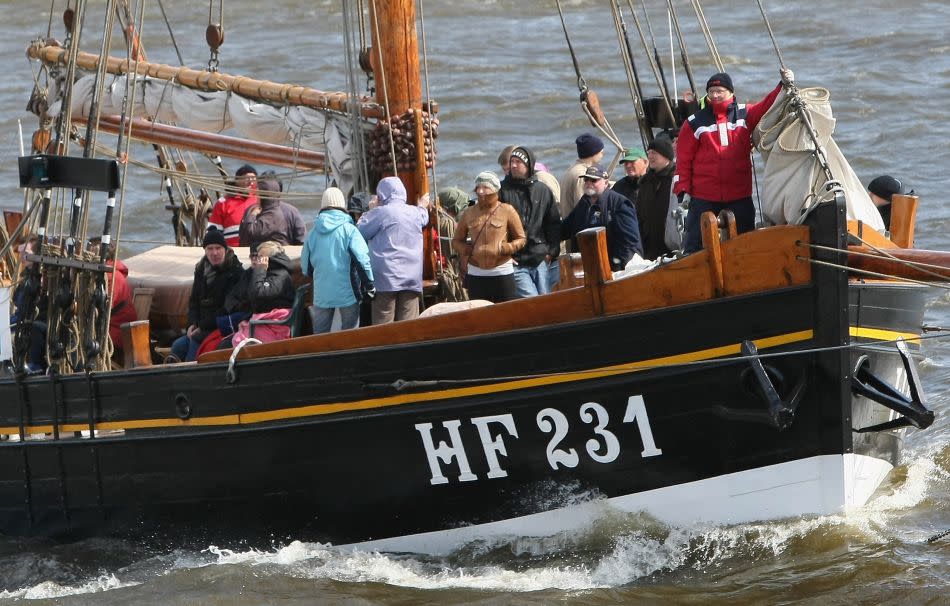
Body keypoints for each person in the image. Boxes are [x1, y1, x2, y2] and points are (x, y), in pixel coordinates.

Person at [674, 69, 793, 253]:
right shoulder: (694, 122)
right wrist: (683, 190)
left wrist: (782, 85)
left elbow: (768, 106)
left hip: (739, 194)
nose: (715, 95)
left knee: (745, 242)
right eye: (711, 92)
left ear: (730, 92)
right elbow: (683, 159)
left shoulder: (745, 114)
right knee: (694, 243)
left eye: (719, 91)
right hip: (704, 196)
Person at [357, 176, 430, 325]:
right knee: (409, 325)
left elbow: (360, 231)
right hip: (411, 277)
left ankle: (386, 348)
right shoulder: (415, 212)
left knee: (383, 325)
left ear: (381, 195)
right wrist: (422, 205)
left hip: (385, 279)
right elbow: (424, 218)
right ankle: (408, 348)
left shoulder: (380, 212)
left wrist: (371, 210)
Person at [302, 187, 374, 334]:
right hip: (347, 293)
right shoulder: (350, 230)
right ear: (342, 204)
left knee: (320, 337)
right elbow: (362, 260)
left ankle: (321, 357)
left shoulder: (312, 233)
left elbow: (305, 268)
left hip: (322, 294)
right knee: (350, 335)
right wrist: (369, 284)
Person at [170, 228, 244, 362]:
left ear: (225, 249)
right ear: (205, 250)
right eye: (210, 248)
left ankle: (189, 375)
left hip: (221, 326)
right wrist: (191, 324)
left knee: (195, 345)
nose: (214, 253)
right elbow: (194, 302)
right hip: (201, 326)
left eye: (218, 248)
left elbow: (227, 308)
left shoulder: (235, 272)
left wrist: (201, 326)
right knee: (177, 346)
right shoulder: (201, 269)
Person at [453, 171, 526, 303]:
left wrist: (506, 248)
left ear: (495, 189)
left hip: (502, 271)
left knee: (506, 312)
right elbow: (456, 241)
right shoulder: (469, 213)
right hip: (476, 273)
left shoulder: (507, 210)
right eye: (478, 187)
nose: (481, 191)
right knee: (479, 315)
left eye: (485, 187)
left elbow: (521, 238)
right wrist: (467, 250)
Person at [500, 146, 561, 297]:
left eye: (518, 162)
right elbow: (494, 227)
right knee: (531, 299)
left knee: (545, 298)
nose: (513, 165)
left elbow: (553, 223)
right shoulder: (502, 190)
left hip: (540, 258)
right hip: (515, 260)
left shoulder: (542, 190)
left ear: (528, 165)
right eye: (512, 161)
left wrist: (551, 251)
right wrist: (503, 255)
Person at [561, 164, 643, 271]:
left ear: (605, 182)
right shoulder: (584, 203)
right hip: (588, 268)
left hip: (615, 269)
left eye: (594, 180)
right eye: (586, 180)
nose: (589, 183)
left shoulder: (619, 203)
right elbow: (566, 228)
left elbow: (629, 242)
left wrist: (617, 267)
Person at [636, 138, 678, 260]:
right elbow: (639, 213)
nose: (650, 157)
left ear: (666, 154)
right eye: (648, 153)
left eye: (654, 153)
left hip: (672, 243)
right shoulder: (645, 182)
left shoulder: (675, 178)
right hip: (650, 246)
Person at [238, 175, 306, 248]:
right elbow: (301, 241)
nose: (255, 192)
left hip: (254, 257)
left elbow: (243, 240)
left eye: (258, 190)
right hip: (285, 257)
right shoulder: (292, 211)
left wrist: (252, 216)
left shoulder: (251, 211)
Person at [208, 164, 258, 247]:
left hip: (256, 250)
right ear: (237, 181)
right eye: (247, 178)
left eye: (253, 179)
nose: (251, 182)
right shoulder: (223, 203)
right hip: (231, 250)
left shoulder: (260, 200)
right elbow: (213, 232)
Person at [559, 133, 605, 219]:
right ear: (593, 153)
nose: (603, 154)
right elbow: (583, 207)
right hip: (577, 228)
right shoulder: (582, 175)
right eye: (601, 152)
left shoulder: (572, 169)